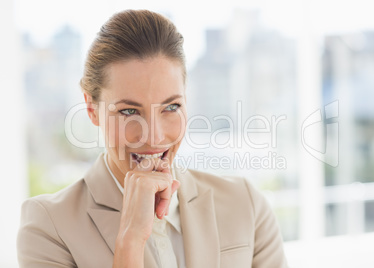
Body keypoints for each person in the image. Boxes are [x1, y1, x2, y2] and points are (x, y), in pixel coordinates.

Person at [17, 9, 288, 268]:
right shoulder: (49, 227)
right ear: (92, 109)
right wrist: (130, 239)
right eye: (128, 111)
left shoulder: (245, 203)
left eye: (171, 107)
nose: (155, 136)